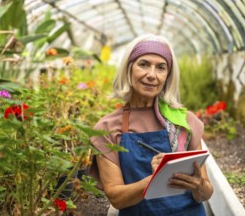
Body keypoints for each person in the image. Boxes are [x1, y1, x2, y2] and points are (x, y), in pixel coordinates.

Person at [90, 34, 213, 216]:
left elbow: (206, 193)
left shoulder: (183, 122)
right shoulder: (107, 127)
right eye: (144, 64)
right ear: (129, 69)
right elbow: (116, 198)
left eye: (161, 68)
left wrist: (199, 186)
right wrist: (154, 180)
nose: (151, 75)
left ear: (167, 76)